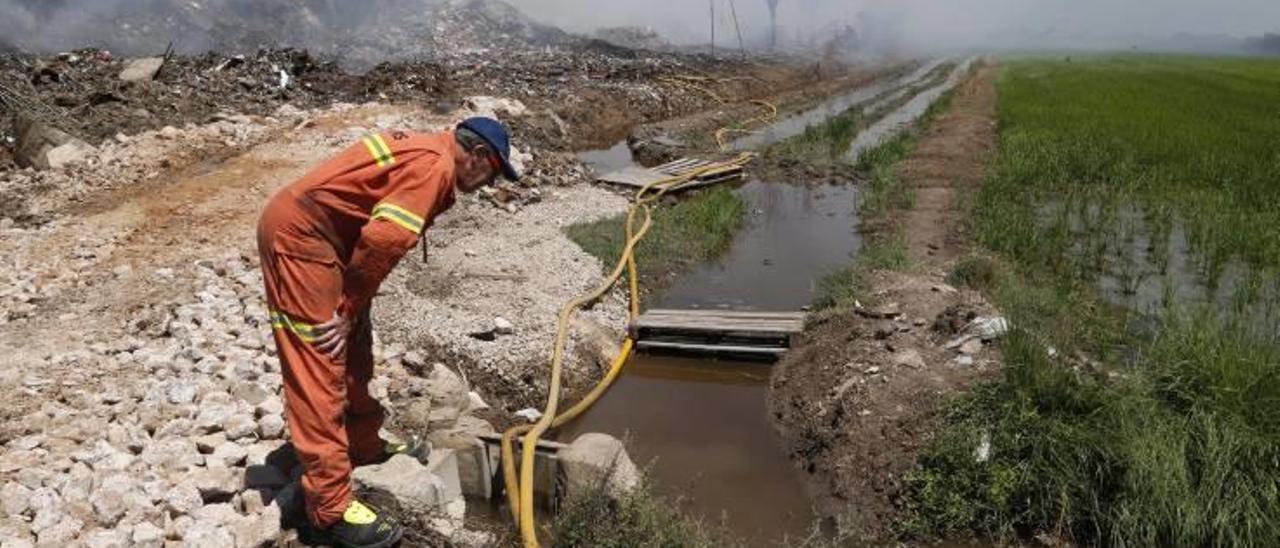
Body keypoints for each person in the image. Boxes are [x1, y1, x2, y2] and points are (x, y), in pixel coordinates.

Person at [256, 117, 519, 547]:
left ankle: (362, 444)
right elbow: (384, 239)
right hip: (301, 238)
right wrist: (346, 306)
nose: (488, 185)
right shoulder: (435, 168)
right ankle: (330, 510)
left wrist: (353, 309)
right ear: (478, 157)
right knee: (319, 358)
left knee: (354, 342)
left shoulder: (430, 150)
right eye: (492, 174)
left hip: (329, 239)